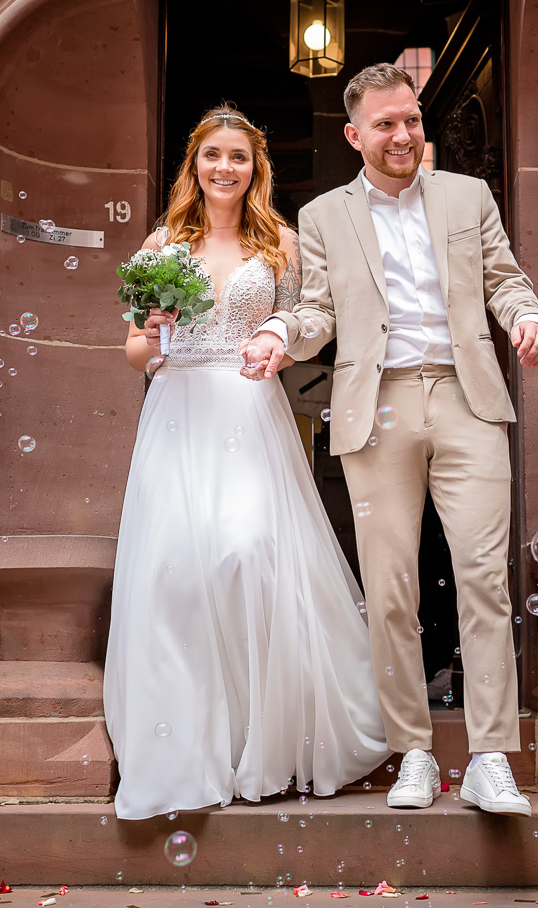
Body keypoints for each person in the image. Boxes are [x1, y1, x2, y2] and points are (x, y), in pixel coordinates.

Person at [241, 64, 538, 816]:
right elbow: (317, 312)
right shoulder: (321, 217)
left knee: (483, 577)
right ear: (355, 136)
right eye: (385, 124)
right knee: (389, 590)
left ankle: (488, 756)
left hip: (467, 397)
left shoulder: (467, 196)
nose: (403, 134)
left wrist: (527, 315)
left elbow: (505, 278)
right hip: (374, 405)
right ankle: (413, 748)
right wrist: (282, 330)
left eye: (410, 120)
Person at [105, 105, 388, 821]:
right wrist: (156, 333)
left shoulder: (282, 244)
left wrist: (278, 348)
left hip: (247, 410)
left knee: (246, 551)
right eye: (211, 156)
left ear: (255, 167)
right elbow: (134, 350)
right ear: (193, 166)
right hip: (176, 413)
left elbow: (311, 331)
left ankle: (263, 741)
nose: (224, 167)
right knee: (175, 575)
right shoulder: (164, 242)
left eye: (237, 156)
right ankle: (191, 749)